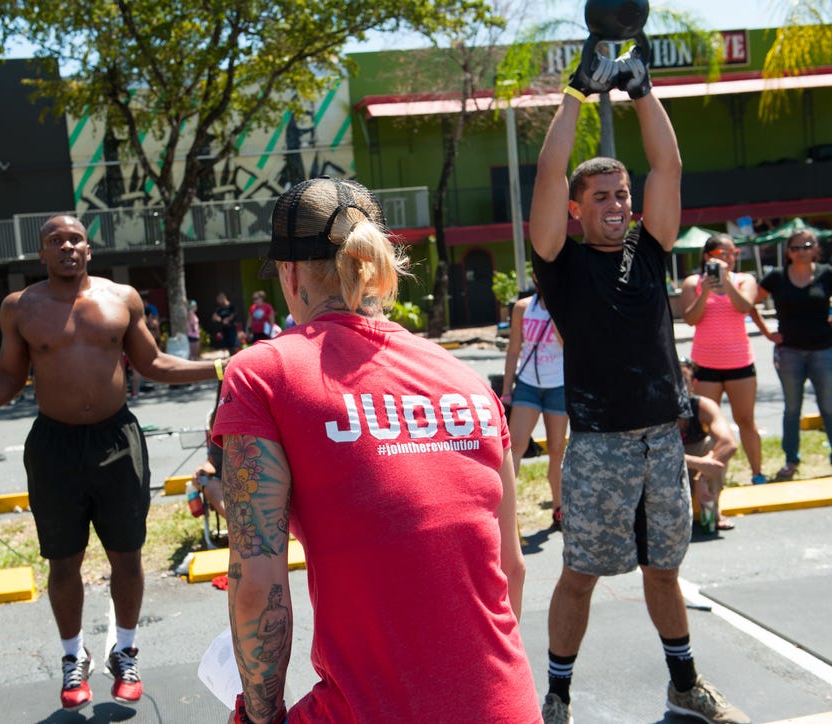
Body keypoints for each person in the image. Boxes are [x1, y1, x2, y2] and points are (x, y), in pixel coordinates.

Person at [213, 177, 540, 722]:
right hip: (508, 703)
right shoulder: (467, 382)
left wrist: (259, 714)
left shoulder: (265, 373)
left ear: (290, 275)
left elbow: (256, 582)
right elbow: (511, 568)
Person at [0, 215, 226, 711]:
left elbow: (154, 364)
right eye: (55, 241)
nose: (66, 246)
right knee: (63, 560)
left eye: (75, 238)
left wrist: (223, 365)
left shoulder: (121, 299)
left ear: (88, 248)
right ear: (42, 253)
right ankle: (72, 658)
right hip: (53, 445)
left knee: (127, 552)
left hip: (117, 439)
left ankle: (125, 650)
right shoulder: (22, 307)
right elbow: (7, 380)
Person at [528, 39, 748, 724]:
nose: (619, 203)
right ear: (575, 208)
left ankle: (684, 687)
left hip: (660, 439)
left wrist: (641, 88)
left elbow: (669, 164)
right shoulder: (559, 262)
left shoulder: (650, 251)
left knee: (664, 572)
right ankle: (557, 699)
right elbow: (548, 171)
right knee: (581, 575)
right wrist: (575, 90)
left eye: (623, 192)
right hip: (597, 448)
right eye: (602, 195)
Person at [679, 233, 767, 485]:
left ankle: (757, 473)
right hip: (705, 366)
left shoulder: (744, 279)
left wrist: (726, 282)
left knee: (746, 420)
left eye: (733, 254)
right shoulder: (693, 282)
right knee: (707, 426)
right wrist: (705, 292)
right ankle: (708, 478)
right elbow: (691, 319)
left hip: (740, 364)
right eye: (722, 254)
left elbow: (744, 307)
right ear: (707, 257)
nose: (729, 259)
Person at [756, 229, 832, 479]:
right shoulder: (777, 277)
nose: (801, 252)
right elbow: (748, 302)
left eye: (806, 246)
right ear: (788, 252)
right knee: (792, 408)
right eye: (795, 248)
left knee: (830, 407)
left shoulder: (826, 273)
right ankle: (791, 460)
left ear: (815, 249)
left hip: (824, 349)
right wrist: (767, 332)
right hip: (789, 351)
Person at [499, 276, 567, 528]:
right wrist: (507, 390)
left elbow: (568, 345)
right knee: (515, 446)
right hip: (528, 384)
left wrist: (559, 310)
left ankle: (559, 508)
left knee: (556, 449)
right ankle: (507, 512)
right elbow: (514, 349)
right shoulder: (523, 307)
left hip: (558, 385)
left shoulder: (565, 304)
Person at [680, 359, 739, 531]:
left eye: (683, 381)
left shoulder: (702, 405)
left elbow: (729, 443)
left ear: (693, 384)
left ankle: (712, 508)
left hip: (692, 467)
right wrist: (699, 464)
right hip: (665, 467)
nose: (677, 387)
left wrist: (702, 476)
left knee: (714, 445)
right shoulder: (655, 408)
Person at [212, 291, 241, 356]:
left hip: (232, 328)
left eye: (219, 300)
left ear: (223, 298)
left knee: (235, 345)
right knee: (228, 346)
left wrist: (227, 319)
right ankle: (231, 358)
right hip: (224, 330)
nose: (218, 302)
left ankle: (237, 357)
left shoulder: (231, 306)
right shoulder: (219, 308)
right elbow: (214, 317)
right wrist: (216, 318)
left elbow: (233, 315)